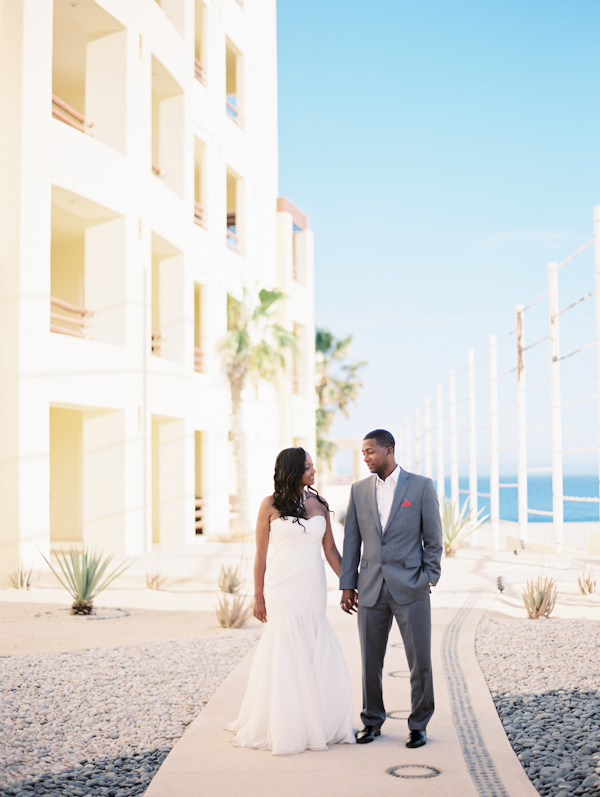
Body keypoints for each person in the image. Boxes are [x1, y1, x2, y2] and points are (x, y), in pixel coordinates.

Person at [225, 447, 355, 755]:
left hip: (312, 587)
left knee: (314, 647)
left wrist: (348, 585)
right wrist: (258, 596)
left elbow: (332, 553)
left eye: (313, 466)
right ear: (292, 471)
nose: (314, 472)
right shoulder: (270, 505)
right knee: (285, 649)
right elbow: (260, 554)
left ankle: (317, 721)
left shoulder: (320, 504)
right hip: (282, 588)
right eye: (308, 467)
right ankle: (286, 724)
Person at [339, 429, 442, 749]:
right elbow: (352, 541)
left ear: (389, 450)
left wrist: (429, 577)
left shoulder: (421, 486)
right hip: (370, 588)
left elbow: (434, 538)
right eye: (363, 453)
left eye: (370, 451)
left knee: (419, 660)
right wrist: (347, 585)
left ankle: (419, 724)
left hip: (410, 586)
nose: (366, 457)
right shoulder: (358, 490)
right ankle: (372, 721)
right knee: (370, 660)